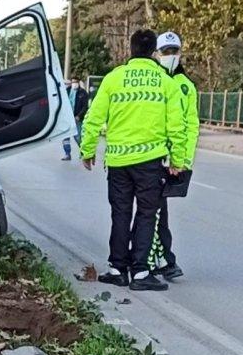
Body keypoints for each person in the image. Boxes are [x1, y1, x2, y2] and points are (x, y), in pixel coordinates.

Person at [79, 29, 186, 292]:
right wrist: (178, 159)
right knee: (147, 215)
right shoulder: (165, 82)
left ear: (130, 49)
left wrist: (87, 150)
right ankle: (140, 273)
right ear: (154, 52)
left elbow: (93, 117)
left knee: (120, 214)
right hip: (150, 162)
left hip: (117, 161)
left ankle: (117, 269)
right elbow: (177, 125)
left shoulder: (114, 78)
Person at [151, 31, 199, 281]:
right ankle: (155, 260)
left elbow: (191, 127)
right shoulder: (151, 79)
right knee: (151, 211)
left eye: (174, 52)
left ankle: (163, 260)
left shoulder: (186, 86)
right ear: (156, 54)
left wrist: (182, 161)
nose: (170, 56)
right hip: (149, 154)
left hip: (171, 161)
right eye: (166, 52)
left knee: (158, 211)